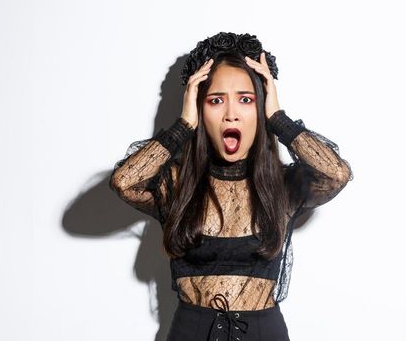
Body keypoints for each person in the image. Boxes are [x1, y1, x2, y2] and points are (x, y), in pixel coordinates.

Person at [109, 32, 353, 341]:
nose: (231, 113)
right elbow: (123, 181)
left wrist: (277, 118)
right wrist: (183, 125)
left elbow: (336, 174)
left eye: (246, 99)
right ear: (200, 109)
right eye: (215, 100)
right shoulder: (177, 183)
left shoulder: (281, 185)